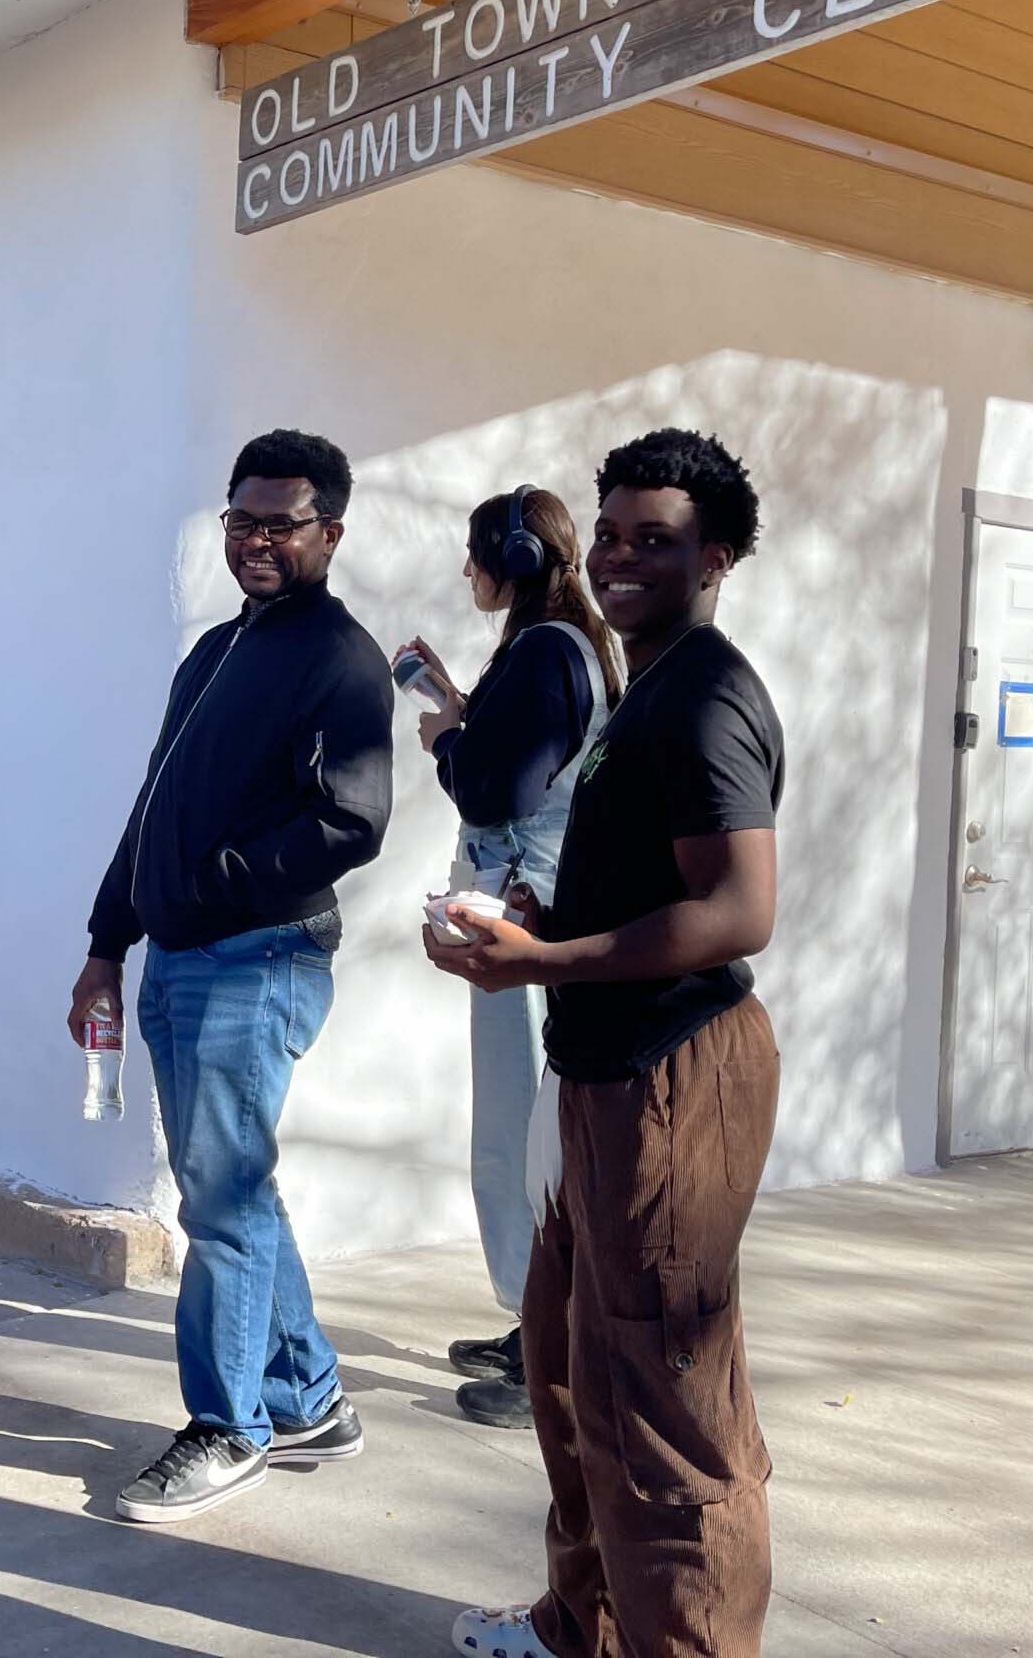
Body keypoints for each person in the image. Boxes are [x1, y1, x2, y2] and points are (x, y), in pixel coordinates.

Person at [426, 430, 783, 1658]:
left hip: (671, 1074)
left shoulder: (707, 695)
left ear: (715, 557)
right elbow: (643, 878)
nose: (622, 559)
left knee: (667, 1413)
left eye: (657, 541)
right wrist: (540, 919)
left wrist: (543, 962)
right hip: (600, 1071)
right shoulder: (644, 683)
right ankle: (579, 1626)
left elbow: (738, 910)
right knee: (573, 1372)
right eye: (613, 535)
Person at [68, 428, 395, 1526]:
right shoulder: (214, 652)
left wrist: (213, 885)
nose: (256, 540)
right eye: (241, 520)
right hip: (180, 957)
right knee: (233, 1186)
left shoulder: (339, 659)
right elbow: (152, 806)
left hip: (256, 958)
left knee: (221, 1196)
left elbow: (352, 820)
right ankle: (307, 1400)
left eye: (280, 525)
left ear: (328, 534)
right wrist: (107, 942)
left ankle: (228, 1428)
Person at [397, 487, 618, 1429]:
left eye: (476, 552)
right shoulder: (565, 645)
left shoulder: (545, 652)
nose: (466, 569)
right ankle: (538, 1322)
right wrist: (458, 703)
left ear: (514, 560)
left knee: (527, 1136)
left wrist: (446, 740)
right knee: (526, 1129)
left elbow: (498, 791)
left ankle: (552, 1353)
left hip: (523, 915)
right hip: (538, 911)